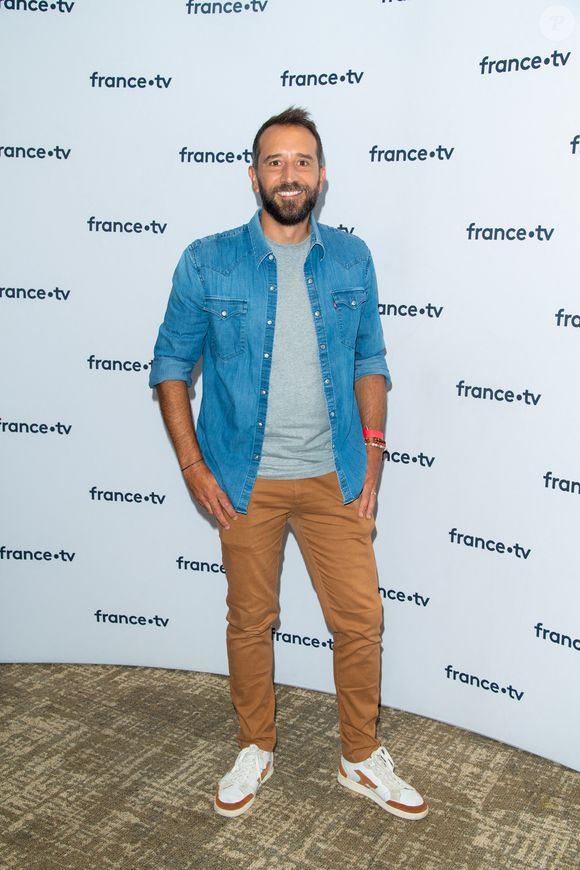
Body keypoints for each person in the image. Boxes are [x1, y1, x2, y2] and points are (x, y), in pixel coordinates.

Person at [149, 107, 428, 821]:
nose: (289, 175)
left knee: (361, 619)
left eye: (302, 161)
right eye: (275, 162)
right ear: (253, 176)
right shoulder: (207, 260)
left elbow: (370, 359)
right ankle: (255, 744)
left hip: (334, 472)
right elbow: (172, 365)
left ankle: (360, 755)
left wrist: (372, 455)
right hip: (244, 480)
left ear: (323, 176)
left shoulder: (351, 259)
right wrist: (191, 466)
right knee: (250, 619)